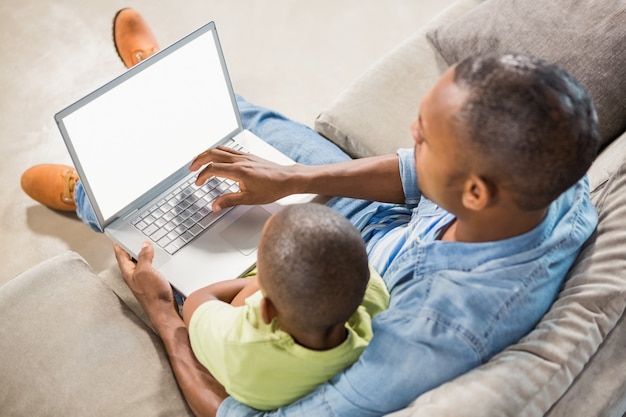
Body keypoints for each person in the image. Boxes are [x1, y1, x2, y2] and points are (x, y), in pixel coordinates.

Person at [22, 8, 600, 417]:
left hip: (328, 295)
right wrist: (285, 181)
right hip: (381, 232)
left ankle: (88, 193)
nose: (409, 137)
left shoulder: (429, 338)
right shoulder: (549, 177)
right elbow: (410, 174)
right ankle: (158, 87)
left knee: (136, 208)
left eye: (425, 139)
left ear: (475, 192)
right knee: (249, 141)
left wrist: (164, 317)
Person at [182, 203, 389, 411]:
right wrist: (277, 281)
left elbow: (195, 301)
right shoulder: (373, 299)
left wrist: (263, 281)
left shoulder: (242, 347)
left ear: (267, 309)